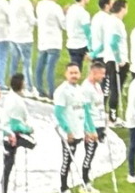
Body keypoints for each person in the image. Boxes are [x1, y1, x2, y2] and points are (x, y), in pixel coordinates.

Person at [54, 64, 93, 193]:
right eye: (71, 73)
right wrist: (67, 130)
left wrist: (87, 130)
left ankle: (84, 183)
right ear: (66, 74)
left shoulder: (80, 90)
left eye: (76, 73)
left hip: (79, 131)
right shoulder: (62, 91)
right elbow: (59, 113)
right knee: (67, 160)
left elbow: (83, 111)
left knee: (78, 157)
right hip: (69, 133)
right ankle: (63, 188)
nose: (74, 75)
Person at [78, 62, 108, 191]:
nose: (103, 76)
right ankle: (84, 183)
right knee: (89, 154)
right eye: (101, 73)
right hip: (92, 126)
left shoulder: (97, 86)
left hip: (99, 123)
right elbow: (84, 111)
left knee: (93, 154)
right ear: (94, 72)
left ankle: (88, 181)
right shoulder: (86, 88)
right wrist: (89, 130)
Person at [3, 74, 34, 191]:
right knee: (8, 165)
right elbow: (15, 123)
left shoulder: (11, 97)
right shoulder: (16, 102)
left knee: (8, 165)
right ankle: (4, 188)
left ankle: (5, 188)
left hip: (8, 133)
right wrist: (28, 130)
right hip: (11, 136)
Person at [101, 0, 129, 125]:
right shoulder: (117, 23)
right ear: (122, 8)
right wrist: (119, 59)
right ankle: (113, 116)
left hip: (108, 58)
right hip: (116, 61)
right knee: (116, 88)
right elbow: (113, 42)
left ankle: (107, 113)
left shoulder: (108, 20)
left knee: (111, 87)